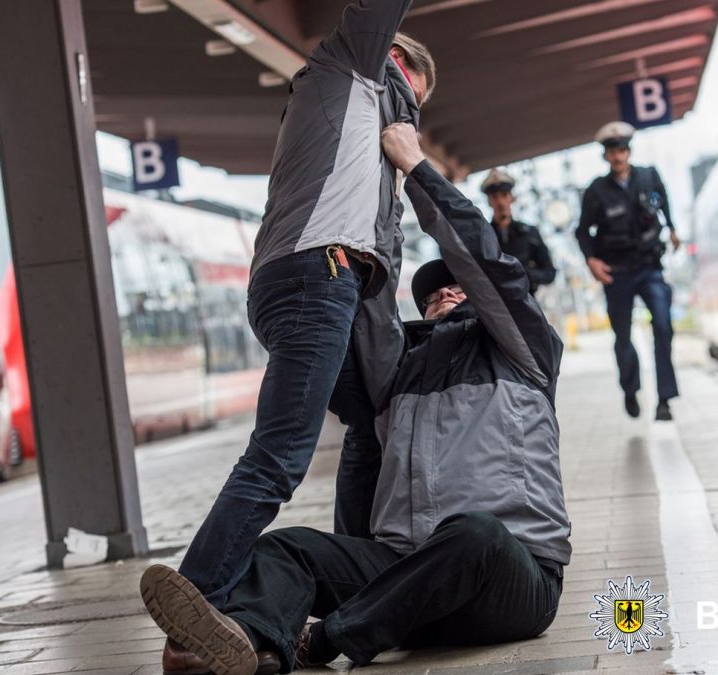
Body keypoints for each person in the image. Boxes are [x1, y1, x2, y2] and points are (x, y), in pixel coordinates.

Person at [139, 122, 571, 675]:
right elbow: (369, 289)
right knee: (284, 547)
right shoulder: (396, 370)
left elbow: (485, 266)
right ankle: (250, 643)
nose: (443, 291)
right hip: (403, 579)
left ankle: (321, 643)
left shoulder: (523, 349)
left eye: (455, 286)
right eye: (431, 291)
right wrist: (371, 193)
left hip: (509, 579)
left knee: (474, 532)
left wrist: (415, 171)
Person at [140, 0, 437, 651]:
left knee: (370, 416)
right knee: (279, 456)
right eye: (408, 81)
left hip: (309, 280)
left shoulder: (366, 146)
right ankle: (196, 608)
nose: (408, 101)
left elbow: (382, 279)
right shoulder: (352, 67)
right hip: (315, 276)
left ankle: (351, 585)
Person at [575, 121, 680, 421]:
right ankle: (630, 388)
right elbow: (582, 232)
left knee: (662, 325)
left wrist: (672, 229)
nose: (618, 156)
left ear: (628, 151)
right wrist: (592, 261)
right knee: (622, 335)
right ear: (606, 156)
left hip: (649, 268)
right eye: (612, 152)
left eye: (621, 150)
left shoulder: (649, 177)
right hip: (616, 273)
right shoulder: (596, 191)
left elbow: (665, 203)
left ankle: (664, 400)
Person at [480, 168, 556, 294]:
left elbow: (549, 273)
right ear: (489, 201)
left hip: (528, 300)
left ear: (512, 198)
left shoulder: (530, 234)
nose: (500, 202)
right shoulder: (483, 237)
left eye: (504, 195)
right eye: (495, 197)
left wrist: (529, 276)